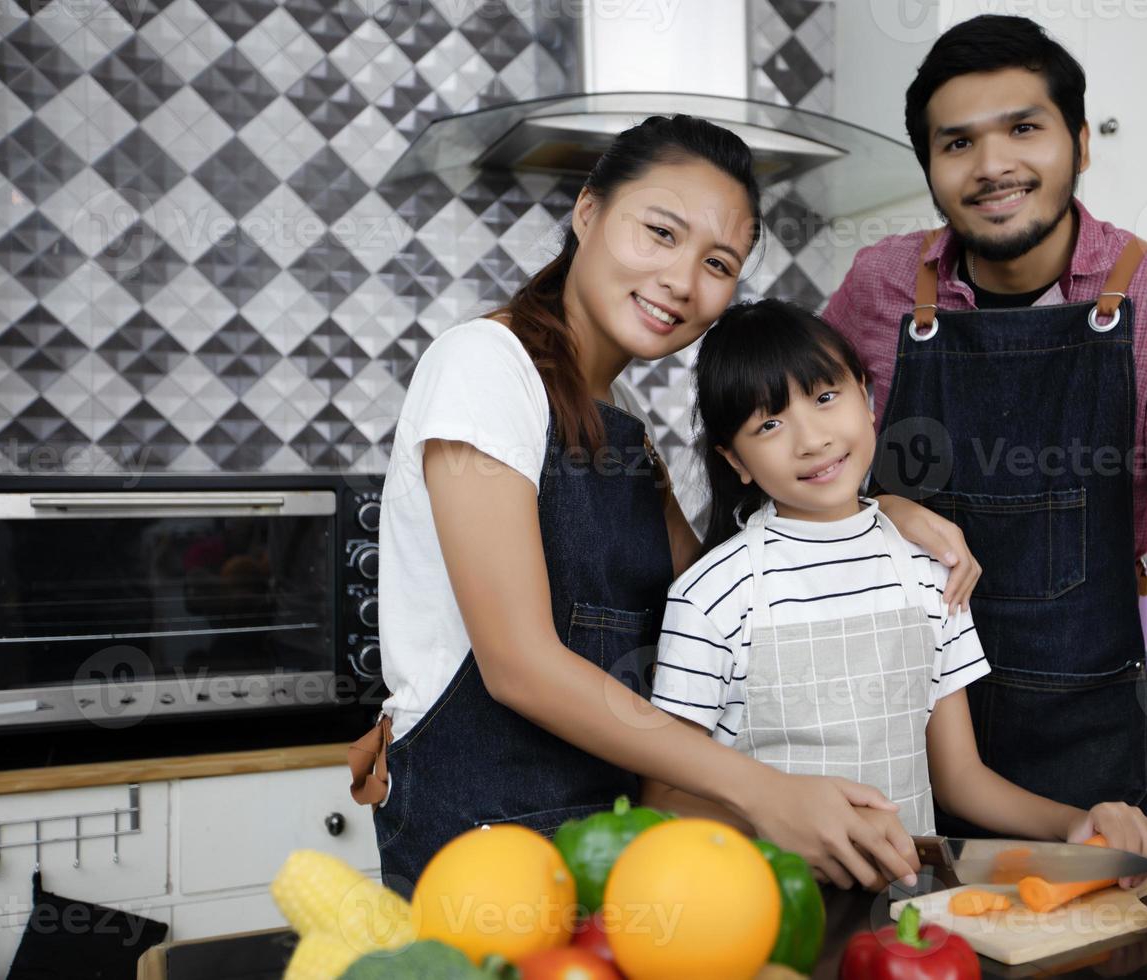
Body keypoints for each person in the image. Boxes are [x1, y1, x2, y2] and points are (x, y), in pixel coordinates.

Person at [348, 115, 983, 896]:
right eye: (660, 232)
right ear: (588, 213)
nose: (683, 281)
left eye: (717, 263)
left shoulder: (626, 440)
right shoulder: (484, 365)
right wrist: (760, 788)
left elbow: (725, 588)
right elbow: (519, 666)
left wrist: (877, 515)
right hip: (488, 840)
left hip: (620, 839)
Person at [824, 15, 1147, 838]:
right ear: (930, 170)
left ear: (1079, 144)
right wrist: (872, 510)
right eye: (958, 144)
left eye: (1023, 129)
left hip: (1083, 754)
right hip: (892, 735)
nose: (994, 166)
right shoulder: (881, 286)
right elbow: (782, 450)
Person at [641, 299, 1147, 881]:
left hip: (909, 908)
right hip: (763, 906)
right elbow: (664, 795)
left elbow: (961, 779)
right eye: (769, 424)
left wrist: (1072, 824)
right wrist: (777, 820)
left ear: (867, 397)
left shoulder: (929, 570)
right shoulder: (709, 595)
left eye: (824, 397)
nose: (810, 440)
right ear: (735, 459)